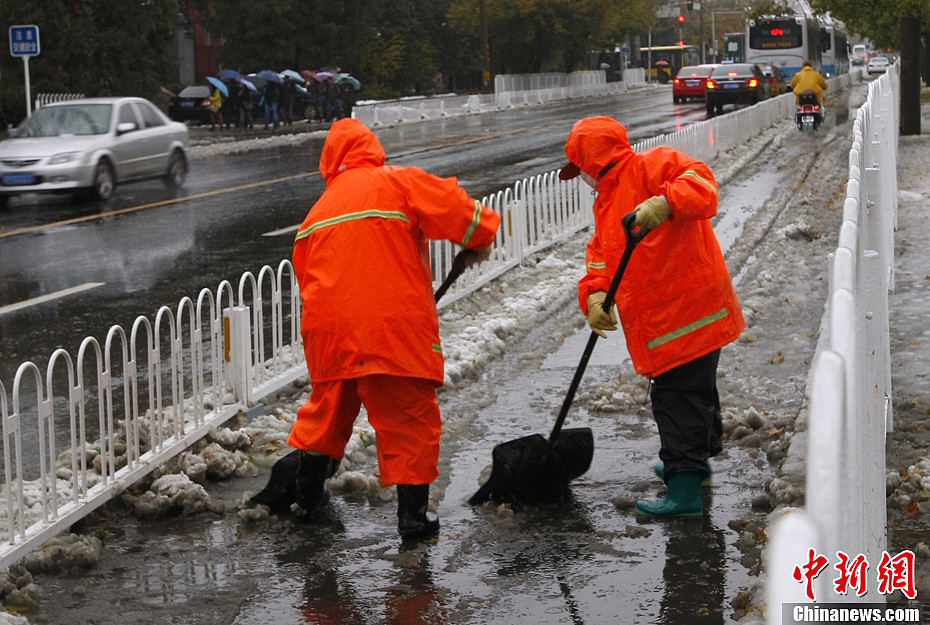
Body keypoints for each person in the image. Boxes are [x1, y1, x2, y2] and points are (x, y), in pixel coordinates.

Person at [287, 117, 500, 538]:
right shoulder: (397, 182)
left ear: (329, 162)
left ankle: (306, 498)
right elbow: (466, 215)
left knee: (326, 413)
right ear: (371, 148)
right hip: (390, 329)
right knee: (408, 418)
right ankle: (412, 519)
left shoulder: (316, 213)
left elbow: (306, 278)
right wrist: (479, 238)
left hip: (329, 332)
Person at [559, 116, 744, 517]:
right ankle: (694, 464)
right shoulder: (607, 202)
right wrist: (594, 295)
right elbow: (599, 258)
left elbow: (704, 185)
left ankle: (684, 488)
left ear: (592, 161)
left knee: (677, 400)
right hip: (668, 321)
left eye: (582, 169)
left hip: (688, 311)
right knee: (695, 392)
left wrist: (667, 202)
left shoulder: (652, 166)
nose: (584, 178)